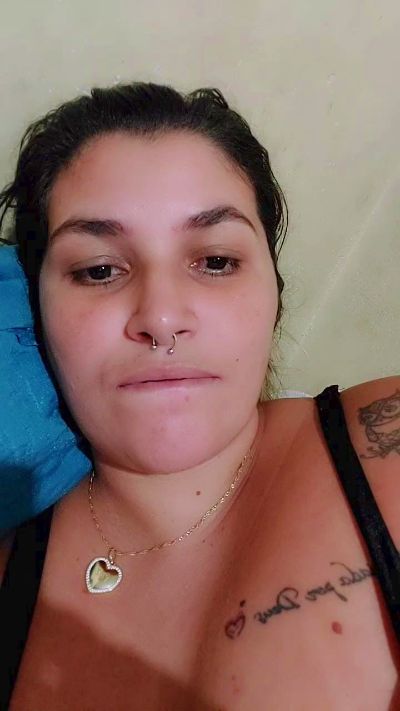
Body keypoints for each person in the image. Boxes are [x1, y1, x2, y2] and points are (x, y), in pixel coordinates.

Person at [0, 81, 400, 710]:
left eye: (215, 262)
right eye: (99, 270)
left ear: (273, 294)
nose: (161, 318)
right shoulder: (10, 569)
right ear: (36, 309)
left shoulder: (386, 452)